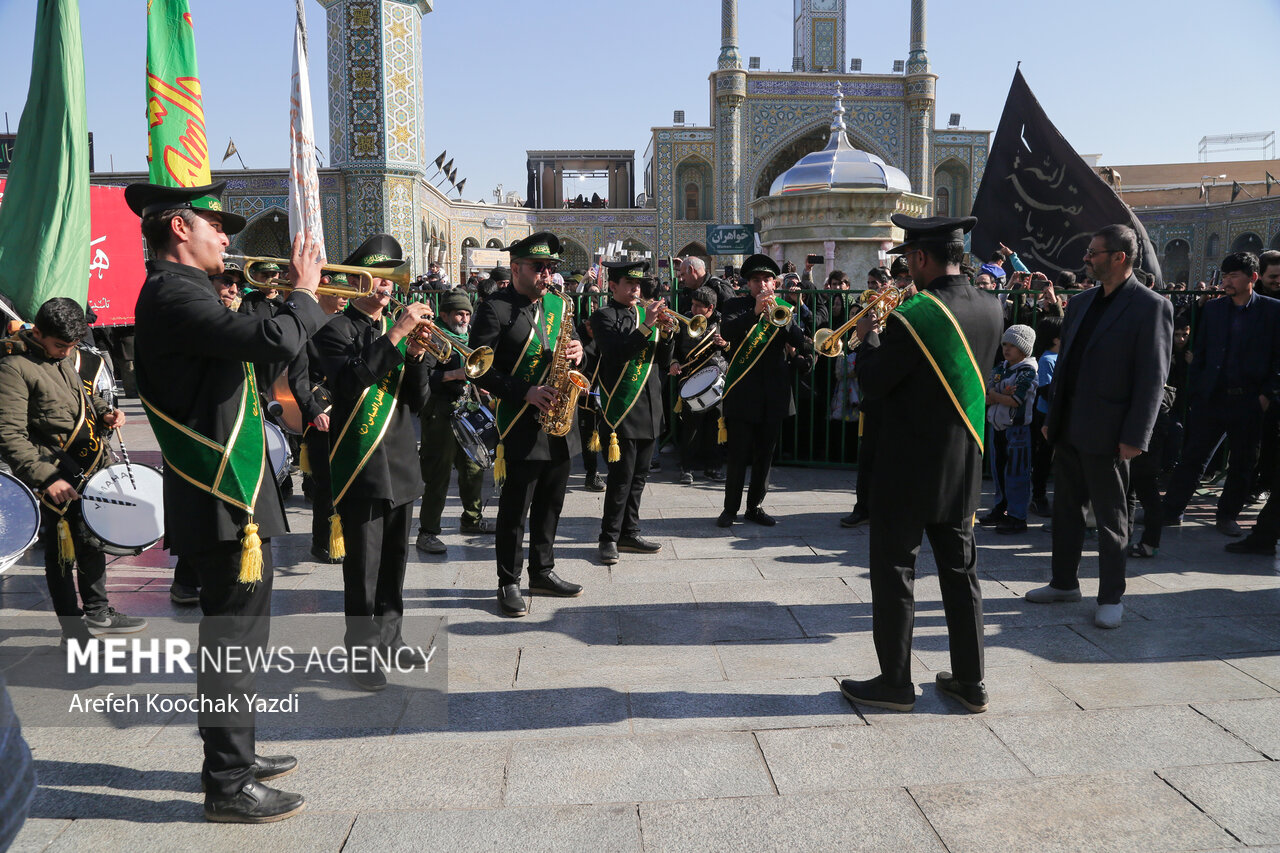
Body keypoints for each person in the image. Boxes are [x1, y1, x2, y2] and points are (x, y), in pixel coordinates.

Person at [129, 179, 324, 823]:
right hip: (220, 495)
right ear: (179, 227)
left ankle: (234, 752)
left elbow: (253, 351)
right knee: (232, 639)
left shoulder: (186, 292)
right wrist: (304, 292)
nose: (226, 236)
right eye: (216, 224)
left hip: (233, 491)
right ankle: (228, 782)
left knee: (240, 636)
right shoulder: (171, 294)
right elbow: (273, 346)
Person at [839, 214, 1002, 714]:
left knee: (894, 573)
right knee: (961, 573)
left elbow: (875, 381)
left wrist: (867, 333)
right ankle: (970, 682)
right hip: (963, 463)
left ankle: (895, 682)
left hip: (906, 464)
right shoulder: (992, 307)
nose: (907, 269)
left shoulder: (916, 315)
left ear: (922, 257)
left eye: (908, 259)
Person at [1025, 224, 1173, 630]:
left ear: (1119, 257)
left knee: (1111, 519)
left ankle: (1110, 596)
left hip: (1111, 434)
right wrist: (1052, 420)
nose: (1087, 259)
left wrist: (1135, 437)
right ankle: (1063, 583)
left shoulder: (1151, 306)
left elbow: (1151, 377)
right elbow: (1067, 365)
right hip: (1069, 427)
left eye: (1094, 253)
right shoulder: (1083, 301)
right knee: (1066, 512)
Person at [313, 234, 434, 690]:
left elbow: (418, 401)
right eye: (379, 280)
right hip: (361, 463)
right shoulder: (335, 331)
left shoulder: (396, 332)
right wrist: (399, 335)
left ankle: (392, 636)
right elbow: (350, 384)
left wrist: (418, 357)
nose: (387, 289)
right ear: (359, 281)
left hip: (401, 458)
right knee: (363, 568)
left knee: (396, 562)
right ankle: (361, 655)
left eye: (390, 280)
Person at [0, 298, 145, 642]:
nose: (66, 353)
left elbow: (81, 396)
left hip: (88, 462)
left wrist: (105, 412)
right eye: (59, 345)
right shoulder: (13, 368)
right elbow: (8, 434)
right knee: (62, 552)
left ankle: (98, 612)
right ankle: (72, 627)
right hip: (51, 471)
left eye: (71, 346)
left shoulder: (62, 357)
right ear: (37, 332)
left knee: (92, 539)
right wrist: (45, 479)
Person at [470, 232, 586, 617]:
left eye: (550, 268)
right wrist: (524, 391)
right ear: (516, 267)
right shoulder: (494, 308)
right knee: (516, 508)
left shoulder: (559, 303)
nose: (546, 275)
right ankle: (509, 580)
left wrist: (580, 351)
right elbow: (480, 371)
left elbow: (576, 348)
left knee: (551, 503)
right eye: (539, 267)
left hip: (558, 419)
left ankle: (543, 571)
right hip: (520, 419)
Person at [1160, 252, 1280, 536]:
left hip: (1249, 400)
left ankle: (1227, 515)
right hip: (1212, 398)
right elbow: (1201, 351)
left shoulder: (1273, 311)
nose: (1226, 282)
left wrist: (1266, 395)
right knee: (1193, 457)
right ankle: (1171, 510)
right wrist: (1199, 388)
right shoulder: (1214, 310)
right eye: (1224, 276)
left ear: (1252, 278)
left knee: (1242, 462)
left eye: (1233, 276)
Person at [590, 261, 675, 564]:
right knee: (621, 478)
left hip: (651, 404)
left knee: (639, 477)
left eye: (639, 285)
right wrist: (648, 326)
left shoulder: (645, 314)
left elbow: (663, 361)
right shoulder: (603, 316)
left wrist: (665, 335)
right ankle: (608, 537)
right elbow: (616, 352)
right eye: (629, 284)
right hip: (622, 410)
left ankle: (630, 531)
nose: (636, 290)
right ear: (613, 286)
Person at [716, 254, 810, 528]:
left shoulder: (783, 308)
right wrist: (755, 312)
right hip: (743, 392)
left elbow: (800, 343)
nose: (762, 285)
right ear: (748, 283)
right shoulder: (735, 304)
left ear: (774, 282)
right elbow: (729, 331)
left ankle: (755, 506)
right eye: (756, 280)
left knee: (765, 455)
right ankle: (730, 510)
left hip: (774, 393)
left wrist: (786, 318)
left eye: (767, 279)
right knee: (738, 455)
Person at [415, 290, 496, 555]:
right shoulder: (433, 336)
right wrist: (455, 374)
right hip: (439, 411)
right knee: (438, 475)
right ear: (445, 315)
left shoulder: (468, 337)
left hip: (465, 407)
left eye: (467, 313)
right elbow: (422, 378)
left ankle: (471, 519)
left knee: (473, 468)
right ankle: (427, 532)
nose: (464, 318)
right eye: (459, 313)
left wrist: (482, 386)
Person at [980, 325, 1038, 535]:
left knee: (1016, 473)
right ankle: (1001, 508)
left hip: (1017, 430)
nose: (1007, 349)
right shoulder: (1001, 368)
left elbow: (1016, 400)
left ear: (1024, 349)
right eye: (1005, 344)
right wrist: (999, 394)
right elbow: (986, 392)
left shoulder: (1028, 371)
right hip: (998, 427)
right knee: (998, 471)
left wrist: (998, 395)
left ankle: (1016, 516)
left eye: (1013, 345)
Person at [671, 286, 728, 484]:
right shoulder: (684, 319)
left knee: (715, 424)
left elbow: (734, 349)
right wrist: (674, 362)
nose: (693, 309)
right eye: (693, 305)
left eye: (698, 306)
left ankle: (714, 467)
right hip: (690, 378)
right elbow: (674, 348)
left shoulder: (722, 321)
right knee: (690, 427)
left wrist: (725, 344)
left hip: (715, 378)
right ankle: (687, 468)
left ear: (710, 307)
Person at [1029, 316, 1062, 518]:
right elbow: (1046, 392)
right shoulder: (1047, 359)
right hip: (1046, 418)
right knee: (1043, 459)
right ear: (1056, 339)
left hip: (1059, 416)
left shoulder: (1063, 357)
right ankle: (1038, 497)